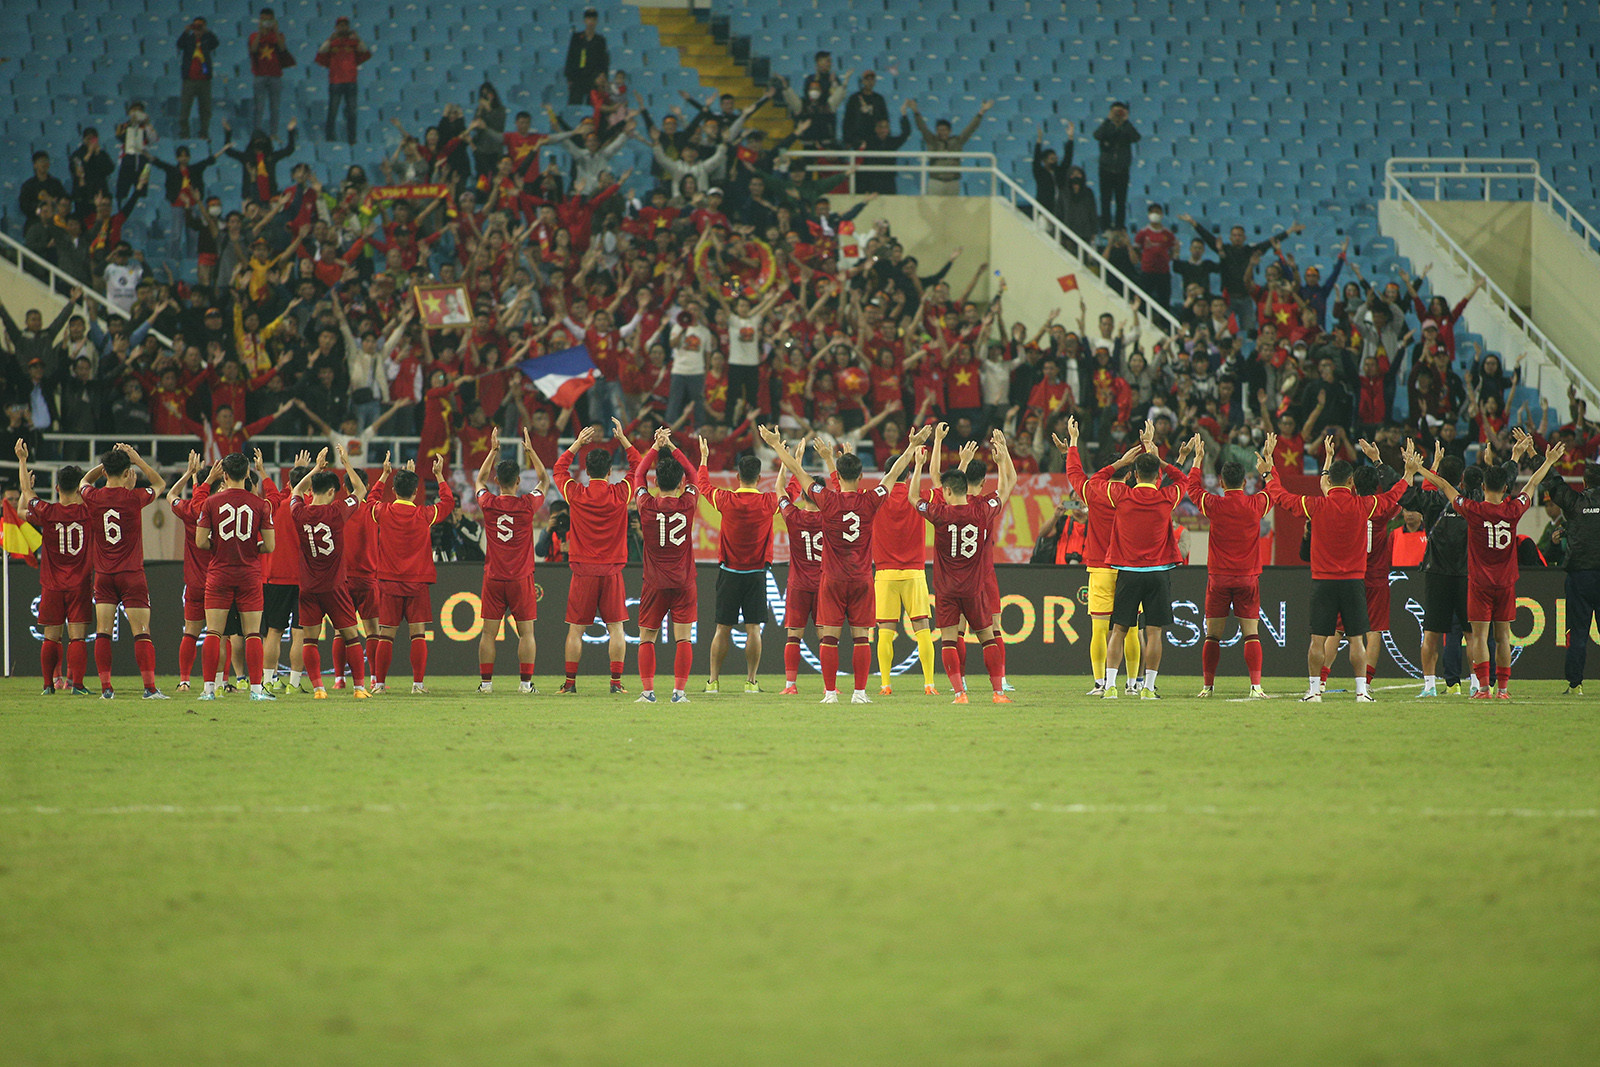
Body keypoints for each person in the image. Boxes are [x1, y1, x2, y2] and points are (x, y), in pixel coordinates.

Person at [1263, 432, 1419, 702]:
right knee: (1357, 639)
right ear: (1351, 482)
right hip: (1353, 582)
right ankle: (1361, 692)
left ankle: (1314, 691)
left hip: (1323, 582)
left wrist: (1269, 471)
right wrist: (1408, 473)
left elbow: (1281, 497)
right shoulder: (1364, 506)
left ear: (1330, 481)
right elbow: (1393, 497)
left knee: (1318, 639)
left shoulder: (1315, 505)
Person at [765, 429, 917, 704]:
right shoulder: (871, 499)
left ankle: (830, 693)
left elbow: (797, 471)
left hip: (832, 579)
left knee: (829, 639)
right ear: (861, 477)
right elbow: (894, 474)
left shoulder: (827, 500)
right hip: (860, 578)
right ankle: (859, 693)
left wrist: (777, 445)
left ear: (840, 477)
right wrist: (912, 446)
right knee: (861, 638)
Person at [1417, 433, 1564, 700]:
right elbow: (1532, 483)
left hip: (1479, 584)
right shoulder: (1513, 510)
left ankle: (1483, 688)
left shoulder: (1473, 510)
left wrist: (1421, 469)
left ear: (1483, 487)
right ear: (1506, 489)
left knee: (1480, 636)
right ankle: (1503, 690)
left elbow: (1446, 487)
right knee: (1504, 637)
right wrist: (1548, 462)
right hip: (1506, 583)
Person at [910, 431, 1016, 704]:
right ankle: (998, 692)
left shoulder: (939, 513)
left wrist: (919, 464)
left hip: (946, 588)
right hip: (976, 585)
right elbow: (1006, 488)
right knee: (989, 637)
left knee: (948, 639)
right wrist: (1003, 458)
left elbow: (914, 498)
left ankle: (960, 692)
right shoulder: (983, 510)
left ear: (948, 490)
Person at [1099, 424, 1192, 699]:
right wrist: (1160, 455)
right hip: (1158, 573)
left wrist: (1121, 462)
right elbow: (1182, 479)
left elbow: (1093, 483)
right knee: (1154, 633)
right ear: (1157, 475)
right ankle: (1148, 688)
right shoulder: (1166, 498)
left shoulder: (1121, 495)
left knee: (1118, 630)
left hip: (1128, 572)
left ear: (1135, 474)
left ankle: (1111, 687)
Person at [553, 419, 643, 694]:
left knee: (576, 630)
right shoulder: (620, 493)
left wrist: (578, 443)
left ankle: (570, 684)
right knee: (616, 629)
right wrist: (624, 440)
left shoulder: (576, 493)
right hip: (612, 572)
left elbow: (558, 469)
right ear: (610, 471)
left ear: (587, 470)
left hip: (583, 572)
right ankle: (615, 684)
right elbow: (638, 467)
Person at [1056, 422, 1143, 694]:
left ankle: (1100, 683)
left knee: (1099, 628)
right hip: (1129, 568)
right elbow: (1156, 479)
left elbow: (1075, 473)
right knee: (1129, 629)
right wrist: (1147, 449)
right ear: (1130, 472)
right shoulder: (1137, 496)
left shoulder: (1095, 491)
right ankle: (1132, 683)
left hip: (1100, 568)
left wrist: (1073, 443)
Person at [1181, 435, 1271, 698]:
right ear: (1245, 482)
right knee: (1251, 634)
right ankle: (1255, 686)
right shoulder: (1255, 504)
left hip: (1219, 578)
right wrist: (1270, 466)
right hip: (1247, 578)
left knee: (1212, 636)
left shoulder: (1214, 504)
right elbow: (1275, 492)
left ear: (1221, 483)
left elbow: (1192, 488)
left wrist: (1197, 459)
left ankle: (1208, 687)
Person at [80, 443, 168, 699]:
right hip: (131, 574)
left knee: (103, 631)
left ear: (106, 472)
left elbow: (85, 480)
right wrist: (138, 460)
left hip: (104, 575)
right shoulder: (134, 498)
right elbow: (160, 484)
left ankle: (106, 689)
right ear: (128, 472)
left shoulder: (93, 497)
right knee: (141, 631)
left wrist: (105, 465)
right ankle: (150, 689)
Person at [288, 447, 371, 699]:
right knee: (351, 636)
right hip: (335, 587)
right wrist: (346, 464)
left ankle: (319, 689)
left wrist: (314, 469)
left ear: (312, 491)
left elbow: (294, 491)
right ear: (333, 492)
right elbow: (360, 491)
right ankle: (358, 688)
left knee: (310, 640)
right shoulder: (337, 512)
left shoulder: (299, 512)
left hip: (309, 588)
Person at [696, 450, 779, 695]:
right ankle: (751, 682)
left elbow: (703, 485)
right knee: (753, 629)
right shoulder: (768, 502)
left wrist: (703, 459)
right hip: (755, 574)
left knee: (722, 628)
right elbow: (792, 491)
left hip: (729, 573)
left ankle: (713, 682)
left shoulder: (725, 499)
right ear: (759, 476)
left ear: (737, 476)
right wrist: (787, 460)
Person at [195, 452, 276, 700]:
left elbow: (200, 542)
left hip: (219, 572)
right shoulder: (260, 504)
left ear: (225, 475)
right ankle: (255, 690)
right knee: (252, 633)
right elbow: (270, 546)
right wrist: (251, 549)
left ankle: (209, 690)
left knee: (214, 633)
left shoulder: (211, 503)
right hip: (249, 574)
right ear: (248, 473)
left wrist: (220, 547)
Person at [369, 456, 454, 693]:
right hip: (417, 582)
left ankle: (380, 684)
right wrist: (438, 475)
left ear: (394, 490)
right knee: (417, 634)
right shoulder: (424, 515)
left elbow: (370, 500)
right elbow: (448, 502)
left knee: (386, 634)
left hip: (389, 582)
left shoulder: (383, 511)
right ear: (416, 493)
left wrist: (384, 475)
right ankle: (417, 684)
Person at [474, 428, 548, 694]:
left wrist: (492, 451)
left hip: (494, 577)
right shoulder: (528, 504)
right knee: (527, 633)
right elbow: (544, 480)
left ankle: (486, 684)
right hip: (520, 578)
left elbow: (479, 480)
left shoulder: (489, 503)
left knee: (487, 634)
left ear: (498, 481)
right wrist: (531, 452)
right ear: (518, 480)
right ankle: (525, 684)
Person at [632, 428, 703, 703]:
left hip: (654, 582)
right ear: (680, 483)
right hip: (684, 581)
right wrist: (671, 446)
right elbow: (694, 474)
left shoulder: (646, 505)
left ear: (656, 482)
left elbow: (638, 475)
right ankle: (679, 692)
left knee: (646, 637)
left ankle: (648, 692)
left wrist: (654, 447)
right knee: (683, 639)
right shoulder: (688, 503)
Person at [16, 443, 92, 695]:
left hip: (52, 584)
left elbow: (25, 497)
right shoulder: (88, 511)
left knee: (51, 637)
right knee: (77, 638)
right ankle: (77, 686)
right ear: (79, 489)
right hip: (80, 583)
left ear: (57, 487)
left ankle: (48, 685)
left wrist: (23, 461)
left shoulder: (47, 512)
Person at [870, 426, 940, 697]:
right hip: (914, 572)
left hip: (885, 574)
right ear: (909, 473)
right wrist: (922, 460)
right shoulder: (917, 498)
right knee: (922, 627)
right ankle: (929, 684)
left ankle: (885, 684)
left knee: (885, 630)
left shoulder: (877, 498)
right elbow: (938, 485)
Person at [1542, 457, 1600, 695]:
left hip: (1580, 576)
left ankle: (1575, 684)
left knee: (1578, 632)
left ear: (1584, 482)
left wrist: (1541, 458)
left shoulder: (1575, 503)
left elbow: (1554, 484)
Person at [1352, 443, 1403, 693]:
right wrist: (1378, 460)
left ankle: (1321, 681)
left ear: (1353, 485)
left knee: (1339, 630)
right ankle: (1366, 683)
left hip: (1350, 577)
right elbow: (1401, 493)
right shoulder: (1382, 506)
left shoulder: (1347, 507)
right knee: (1374, 631)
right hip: (1377, 577)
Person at [166, 452, 219, 692]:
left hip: (195, 582)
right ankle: (221, 682)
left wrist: (190, 475)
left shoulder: (189, 509)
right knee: (219, 634)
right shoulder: (222, 510)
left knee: (191, 633)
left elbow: (170, 495)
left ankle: (185, 681)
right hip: (220, 580)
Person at [775, 470, 826, 694]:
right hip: (824, 584)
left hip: (798, 584)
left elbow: (779, 491)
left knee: (794, 636)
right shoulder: (830, 518)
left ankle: (790, 685)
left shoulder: (793, 516)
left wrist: (784, 468)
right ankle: (829, 687)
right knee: (826, 637)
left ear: (803, 496)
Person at [908, 99, 992, 196]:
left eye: (945, 130)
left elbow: (970, 129)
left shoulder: (957, 141)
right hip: (936, 181)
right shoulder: (932, 141)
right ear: (936, 131)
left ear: (950, 131)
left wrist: (981, 113)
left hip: (953, 182)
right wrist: (916, 112)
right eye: (939, 130)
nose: (942, 132)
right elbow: (922, 128)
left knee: (952, 210)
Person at [316, 17, 371, 145]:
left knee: (352, 112)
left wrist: (358, 38)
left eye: (345, 25)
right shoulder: (332, 42)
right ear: (336, 27)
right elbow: (321, 51)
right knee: (333, 111)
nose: (343, 28)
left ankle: (352, 139)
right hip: (335, 81)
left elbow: (364, 50)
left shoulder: (353, 42)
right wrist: (331, 38)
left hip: (351, 81)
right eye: (340, 25)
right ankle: (330, 137)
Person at [1093, 101, 1140, 230]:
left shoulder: (1126, 129)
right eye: (1115, 112)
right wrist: (1108, 120)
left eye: (1120, 111)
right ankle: (1105, 226)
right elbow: (1097, 135)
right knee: (1105, 200)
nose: (1118, 114)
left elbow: (1136, 137)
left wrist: (1126, 121)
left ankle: (1120, 226)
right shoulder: (1107, 127)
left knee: (1121, 201)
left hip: (1122, 170)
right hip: (1106, 169)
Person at [248, 8, 294, 137]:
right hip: (260, 75)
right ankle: (257, 134)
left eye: (268, 20)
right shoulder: (254, 36)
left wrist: (276, 31)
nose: (266, 22)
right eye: (263, 19)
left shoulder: (278, 36)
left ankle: (273, 134)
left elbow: (282, 48)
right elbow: (253, 48)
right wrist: (259, 33)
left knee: (275, 108)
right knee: (259, 107)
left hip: (275, 76)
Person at [176, 16, 220, 140]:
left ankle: (204, 133)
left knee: (205, 110)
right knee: (184, 110)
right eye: (196, 26)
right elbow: (179, 44)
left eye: (200, 26)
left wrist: (207, 32)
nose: (197, 29)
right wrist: (186, 31)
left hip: (204, 80)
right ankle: (184, 134)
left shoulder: (207, 39)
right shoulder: (189, 39)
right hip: (189, 80)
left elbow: (215, 43)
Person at [564, 8, 609, 106]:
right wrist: (569, 78)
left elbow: (604, 61)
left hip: (593, 78)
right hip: (577, 77)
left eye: (593, 19)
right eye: (589, 19)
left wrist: (602, 76)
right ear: (585, 20)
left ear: (596, 21)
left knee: (593, 108)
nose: (591, 22)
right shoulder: (576, 38)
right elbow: (570, 58)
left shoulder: (600, 40)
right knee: (574, 106)